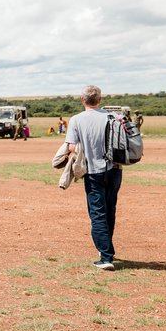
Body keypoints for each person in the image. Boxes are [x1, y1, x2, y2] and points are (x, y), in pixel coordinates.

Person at [65, 85, 122, 271]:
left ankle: (105, 257)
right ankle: (106, 250)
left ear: (83, 100)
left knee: (97, 213)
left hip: (93, 171)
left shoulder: (76, 120)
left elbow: (72, 147)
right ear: (100, 100)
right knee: (110, 209)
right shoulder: (113, 117)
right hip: (114, 169)